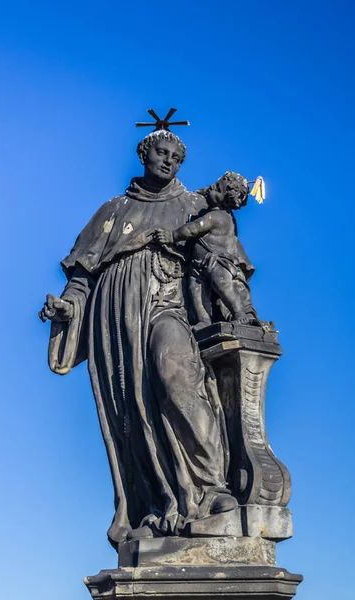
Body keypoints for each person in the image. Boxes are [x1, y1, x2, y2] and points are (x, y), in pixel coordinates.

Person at [39, 129, 237, 548]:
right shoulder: (113, 211)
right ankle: (159, 501)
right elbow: (82, 276)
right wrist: (68, 307)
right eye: (161, 153)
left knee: (177, 378)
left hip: (168, 304)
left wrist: (236, 306)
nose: (167, 162)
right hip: (115, 320)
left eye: (175, 158)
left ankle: (212, 488)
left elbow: (222, 256)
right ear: (144, 154)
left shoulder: (192, 205)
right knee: (134, 409)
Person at [154, 171, 259, 329]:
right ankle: (204, 320)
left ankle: (240, 314)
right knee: (195, 291)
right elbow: (205, 194)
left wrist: (172, 236)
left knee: (224, 286)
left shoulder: (218, 216)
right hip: (199, 265)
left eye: (216, 188)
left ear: (226, 196)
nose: (210, 188)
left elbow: (193, 229)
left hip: (217, 263)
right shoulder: (220, 213)